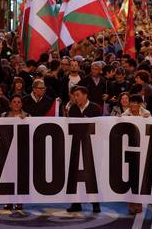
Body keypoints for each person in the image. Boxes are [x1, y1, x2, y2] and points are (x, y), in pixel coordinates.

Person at [66, 85, 102, 213]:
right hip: (76, 147)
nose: (75, 98)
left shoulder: (95, 108)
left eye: (78, 95)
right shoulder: (73, 109)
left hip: (91, 147)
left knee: (91, 175)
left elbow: (99, 128)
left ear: (85, 95)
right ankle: (76, 203)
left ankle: (95, 204)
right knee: (74, 175)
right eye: (74, 96)